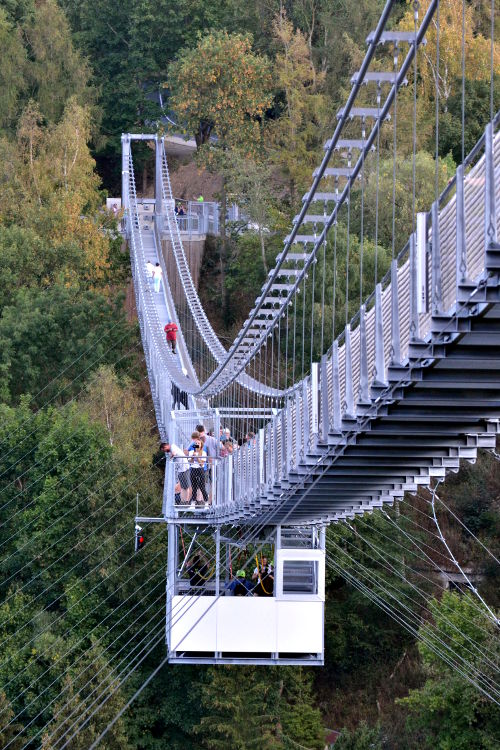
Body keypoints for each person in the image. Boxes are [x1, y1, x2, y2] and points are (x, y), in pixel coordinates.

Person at [188, 438, 209, 507]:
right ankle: (193, 503)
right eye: (196, 444)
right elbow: (190, 462)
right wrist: (192, 457)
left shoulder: (203, 452)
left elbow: (202, 464)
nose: (197, 445)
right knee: (194, 487)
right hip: (193, 469)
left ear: (201, 445)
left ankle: (206, 502)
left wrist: (197, 457)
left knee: (202, 487)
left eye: (198, 444)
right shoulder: (191, 452)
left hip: (200, 470)